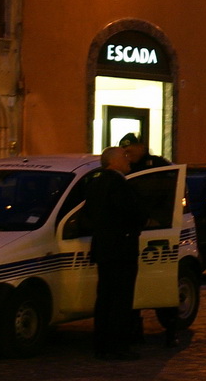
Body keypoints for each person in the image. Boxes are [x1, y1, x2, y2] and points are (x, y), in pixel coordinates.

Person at [86, 145, 147, 361]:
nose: (128, 159)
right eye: (124, 156)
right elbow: (131, 213)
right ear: (112, 161)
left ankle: (101, 344)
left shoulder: (96, 183)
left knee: (104, 298)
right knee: (120, 300)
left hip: (104, 249)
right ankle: (118, 345)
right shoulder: (118, 184)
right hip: (122, 249)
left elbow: (90, 215)